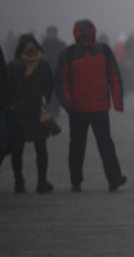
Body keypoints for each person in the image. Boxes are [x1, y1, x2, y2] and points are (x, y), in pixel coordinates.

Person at [55, 19, 127, 192]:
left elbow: (115, 77)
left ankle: (114, 179)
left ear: (94, 34)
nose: (86, 39)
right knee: (77, 146)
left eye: (89, 36)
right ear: (77, 36)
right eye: (83, 36)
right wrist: (66, 102)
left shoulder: (104, 51)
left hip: (100, 107)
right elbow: (60, 80)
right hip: (76, 109)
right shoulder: (68, 54)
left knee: (106, 144)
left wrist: (117, 102)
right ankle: (76, 180)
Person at [2, 35, 56, 193]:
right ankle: (19, 181)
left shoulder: (43, 65)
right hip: (18, 113)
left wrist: (46, 98)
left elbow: (49, 84)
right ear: (22, 50)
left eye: (33, 49)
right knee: (17, 150)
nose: (31, 52)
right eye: (28, 49)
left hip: (38, 111)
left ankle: (42, 181)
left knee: (41, 147)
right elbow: (7, 86)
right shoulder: (13, 67)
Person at [41, 26, 67, 118]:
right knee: (48, 93)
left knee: (57, 93)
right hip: (46, 73)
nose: (51, 34)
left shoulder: (61, 45)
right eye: (49, 33)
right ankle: (50, 109)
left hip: (58, 72)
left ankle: (56, 110)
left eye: (52, 33)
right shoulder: (42, 46)